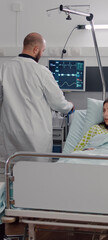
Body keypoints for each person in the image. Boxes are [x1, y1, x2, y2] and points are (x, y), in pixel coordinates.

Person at [0, 32, 74, 162]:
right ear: (36, 49)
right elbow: (58, 103)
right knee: (37, 175)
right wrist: (70, 107)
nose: (42, 54)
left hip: (10, 134)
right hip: (35, 138)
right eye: (43, 51)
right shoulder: (41, 72)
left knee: (13, 174)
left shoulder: (3, 68)